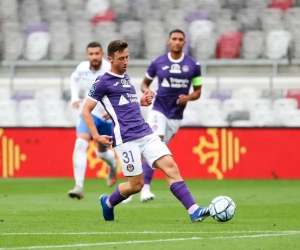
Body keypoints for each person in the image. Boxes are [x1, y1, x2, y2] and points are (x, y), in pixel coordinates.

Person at [82, 39, 209, 222]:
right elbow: (86, 110)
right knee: (136, 185)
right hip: (126, 139)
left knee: (171, 167)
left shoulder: (125, 78)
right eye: (121, 58)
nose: (125, 62)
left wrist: (142, 101)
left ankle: (194, 210)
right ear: (110, 59)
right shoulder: (102, 82)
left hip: (146, 133)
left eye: (127, 57)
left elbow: (126, 103)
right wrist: (95, 136)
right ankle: (108, 202)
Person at [123, 29, 202, 203]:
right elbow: (144, 83)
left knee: (155, 152)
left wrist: (188, 98)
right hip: (158, 109)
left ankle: (130, 186)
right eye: (174, 39)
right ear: (168, 41)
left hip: (176, 116)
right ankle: (145, 189)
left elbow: (197, 92)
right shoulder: (158, 62)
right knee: (157, 143)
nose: (177, 42)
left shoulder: (194, 65)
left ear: (184, 43)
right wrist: (147, 90)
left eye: (181, 39)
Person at [68, 42, 118, 200]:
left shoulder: (110, 69)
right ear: (87, 55)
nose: (94, 57)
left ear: (102, 54)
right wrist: (75, 98)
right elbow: (73, 79)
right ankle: (79, 186)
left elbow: (119, 90)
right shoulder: (82, 68)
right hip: (88, 113)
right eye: (91, 54)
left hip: (106, 117)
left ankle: (113, 166)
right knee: (80, 144)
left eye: (97, 54)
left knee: (101, 153)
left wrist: (113, 111)